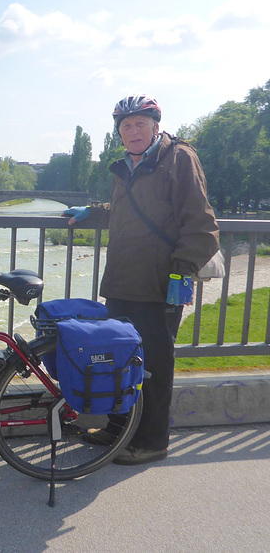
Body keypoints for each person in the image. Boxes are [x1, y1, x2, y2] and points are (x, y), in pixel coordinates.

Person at [63, 94, 220, 465]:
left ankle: (151, 441)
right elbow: (125, 211)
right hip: (121, 282)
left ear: (156, 126)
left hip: (159, 284)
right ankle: (119, 430)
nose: (132, 131)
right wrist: (93, 212)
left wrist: (180, 276)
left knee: (154, 366)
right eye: (125, 126)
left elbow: (202, 225)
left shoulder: (179, 158)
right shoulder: (126, 167)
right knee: (120, 360)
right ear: (119, 133)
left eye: (139, 124)